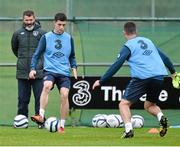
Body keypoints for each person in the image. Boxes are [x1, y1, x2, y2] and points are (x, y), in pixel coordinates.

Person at [92, 22, 177, 138]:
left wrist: (101, 81)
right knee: (149, 105)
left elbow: (117, 65)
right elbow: (165, 58)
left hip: (142, 77)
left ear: (124, 33)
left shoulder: (128, 46)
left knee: (124, 104)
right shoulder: (148, 41)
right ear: (136, 32)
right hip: (159, 77)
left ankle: (128, 130)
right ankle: (161, 117)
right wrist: (173, 72)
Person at [29, 12, 78, 133]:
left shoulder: (69, 38)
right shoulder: (46, 37)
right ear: (54, 23)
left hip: (64, 73)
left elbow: (72, 56)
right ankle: (40, 115)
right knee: (47, 85)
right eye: (59, 24)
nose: (61, 27)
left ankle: (61, 125)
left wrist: (74, 67)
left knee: (65, 94)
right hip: (50, 71)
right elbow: (36, 55)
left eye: (64, 25)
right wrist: (32, 68)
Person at [11, 10, 46, 128]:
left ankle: (40, 122)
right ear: (23, 20)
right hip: (22, 73)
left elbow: (46, 51)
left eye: (31, 20)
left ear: (34, 19)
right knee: (22, 99)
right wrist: (23, 61)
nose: (29, 22)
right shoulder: (17, 33)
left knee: (39, 99)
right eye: (26, 20)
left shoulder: (42, 33)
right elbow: (15, 49)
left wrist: (39, 65)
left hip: (38, 73)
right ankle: (21, 122)